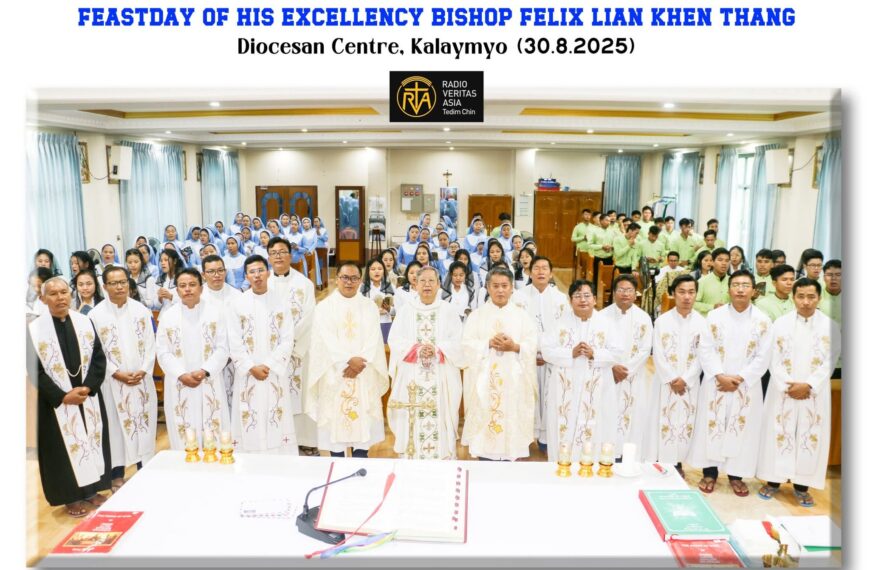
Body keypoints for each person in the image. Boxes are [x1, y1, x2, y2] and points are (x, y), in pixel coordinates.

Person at [28, 277, 112, 517]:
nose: (60, 298)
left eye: (64, 292)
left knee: (92, 442)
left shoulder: (85, 322)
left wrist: (88, 387)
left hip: (86, 397)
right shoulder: (33, 331)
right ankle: (70, 497)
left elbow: (98, 358)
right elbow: (34, 369)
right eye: (53, 294)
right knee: (62, 451)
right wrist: (62, 396)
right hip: (56, 402)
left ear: (70, 294)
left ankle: (92, 490)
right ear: (43, 299)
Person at [756, 278, 841, 508]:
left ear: (819, 298)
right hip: (783, 390)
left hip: (814, 392)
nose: (806, 302)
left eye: (811, 297)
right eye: (801, 296)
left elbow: (830, 361)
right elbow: (772, 358)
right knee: (779, 431)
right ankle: (773, 481)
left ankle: (802, 487)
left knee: (809, 433)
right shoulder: (780, 325)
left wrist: (809, 385)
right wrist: (787, 385)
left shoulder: (831, 327)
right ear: (793, 297)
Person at [688, 270, 773, 497]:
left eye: (745, 285)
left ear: (754, 291)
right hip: (716, 382)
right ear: (729, 290)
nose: (740, 289)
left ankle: (737, 476)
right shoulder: (714, 317)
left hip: (746, 386)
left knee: (741, 428)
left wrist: (740, 378)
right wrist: (719, 375)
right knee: (712, 425)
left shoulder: (763, 321)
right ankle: (710, 473)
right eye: (736, 284)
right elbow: (705, 349)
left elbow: (764, 356)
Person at [305, 261, 389, 458]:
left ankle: (361, 460)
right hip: (335, 373)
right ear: (337, 279)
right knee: (336, 431)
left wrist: (360, 362)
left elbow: (374, 339)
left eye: (354, 278)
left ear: (360, 281)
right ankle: (337, 464)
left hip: (363, 372)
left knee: (363, 429)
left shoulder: (369, 306)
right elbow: (325, 340)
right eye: (344, 277)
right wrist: (347, 361)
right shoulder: (324, 307)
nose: (349, 282)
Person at [88, 266, 157, 492]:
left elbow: (151, 344)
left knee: (143, 425)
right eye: (114, 283)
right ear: (104, 286)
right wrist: (115, 372)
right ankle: (116, 475)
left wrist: (144, 370)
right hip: (113, 382)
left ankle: (145, 469)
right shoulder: (95, 315)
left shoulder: (141, 310)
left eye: (123, 282)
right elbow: (95, 351)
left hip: (141, 381)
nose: (119, 287)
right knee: (116, 428)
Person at [387, 266, 464, 459]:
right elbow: (395, 340)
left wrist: (437, 350)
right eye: (422, 281)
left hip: (441, 376)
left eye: (431, 281)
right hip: (411, 376)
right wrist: (418, 350)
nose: (427, 285)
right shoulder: (406, 311)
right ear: (415, 284)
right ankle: (411, 458)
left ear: (439, 285)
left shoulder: (448, 311)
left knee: (441, 416)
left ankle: (442, 458)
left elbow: (458, 341)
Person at [461, 266, 538, 461]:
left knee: (511, 418)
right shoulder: (477, 316)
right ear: (488, 287)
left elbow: (532, 344)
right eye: (495, 286)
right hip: (485, 382)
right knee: (486, 415)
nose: (500, 290)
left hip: (514, 382)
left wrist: (515, 347)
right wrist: (487, 344)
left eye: (504, 286)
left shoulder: (522, 316)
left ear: (512, 287)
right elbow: (466, 345)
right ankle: (484, 454)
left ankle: (512, 453)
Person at [226, 255, 298, 454]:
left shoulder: (281, 302)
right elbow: (234, 340)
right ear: (246, 276)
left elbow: (287, 338)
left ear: (268, 272)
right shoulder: (237, 304)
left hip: (273, 372)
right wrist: (251, 367)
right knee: (250, 414)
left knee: (276, 414)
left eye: (260, 270)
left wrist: (268, 365)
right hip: (248, 374)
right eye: (252, 272)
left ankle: (279, 459)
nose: (257, 275)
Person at [540, 279, 615, 461]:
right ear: (570, 300)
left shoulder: (606, 323)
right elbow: (546, 351)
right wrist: (570, 353)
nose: (583, 300)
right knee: (565, 423)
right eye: (577, 296)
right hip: (566, 387)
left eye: (587, 295)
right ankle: (562, 464)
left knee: (594, 425)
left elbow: (618, 353)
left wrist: (594, 353)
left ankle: (590, 465)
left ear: (595, 299)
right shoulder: (559, 323)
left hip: (597, 387)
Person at [157, 268, 231, 451]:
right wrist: (181, 374)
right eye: (182, 286)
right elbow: (162, 351)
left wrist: (205, 370)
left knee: (212, 425)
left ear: (201, 288)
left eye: (192, 284)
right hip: (179, 382)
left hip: (208, 379)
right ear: (177, 290)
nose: (187, 289)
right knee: (184, 427)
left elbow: (223, 348)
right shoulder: (168, 316)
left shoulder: (215, 313)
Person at [643, 275, 705, 477]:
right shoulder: (662, 321)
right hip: (665, 382)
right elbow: (658, 353)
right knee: (662, 419)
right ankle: (659, 461)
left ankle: (677, 462)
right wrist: (671, 378)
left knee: (685, 421)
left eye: (691, 292)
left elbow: (703, 355)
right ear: (672, 293)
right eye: (682, 292)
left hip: (689, 383)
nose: (687, 297)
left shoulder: (703, 323)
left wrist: (686, 379)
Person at [266, 237, 318, 453]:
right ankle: (275, 440)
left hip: (297, 352)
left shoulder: (304, 284)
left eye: (282, 252)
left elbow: (309, 317)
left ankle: (306, 441)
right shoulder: (262, 283)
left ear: (290, 255)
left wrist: (288, 345)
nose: (278, 256)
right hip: (270, 354)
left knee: (301, 395)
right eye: (274, 252)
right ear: (269, 257)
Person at [512, 256, 569, 454]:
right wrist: (529, 350)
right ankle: (525, 438)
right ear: (530, 272)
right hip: (525, 357)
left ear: (551, 273)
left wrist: (547, 353)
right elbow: (515, 327)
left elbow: (564, 330)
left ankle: (546, 438)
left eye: (545, 268)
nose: (541, 272)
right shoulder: (518, 297)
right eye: (536, 268)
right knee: (526, 396)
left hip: (552, 359)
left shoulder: (561, 299)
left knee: (550, 398)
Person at [599, 275, 653, 459]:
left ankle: (627, 455)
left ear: (635, 294)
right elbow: (598, 346)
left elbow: (645, 349)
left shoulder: (644, 318)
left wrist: (626, 370)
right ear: (614, 292)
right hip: (608, 374)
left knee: (632, 414)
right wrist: (612, 367)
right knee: (608, 412)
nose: (625, 294)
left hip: (633, 376)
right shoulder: (602, 316)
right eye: (621, 290)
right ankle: (607, 453)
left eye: (629, 290)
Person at [200, 255, 241, 408]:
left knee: (233, 402)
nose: (216, 275)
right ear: (203, 274)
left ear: (225, 272)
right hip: (206, 359)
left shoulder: (237, 296)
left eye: (220, 270)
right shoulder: (198, 297)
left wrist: (230, 354)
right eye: (211, 272)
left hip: (234, 359)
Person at [360, 258, 395, 332]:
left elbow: (396, 311)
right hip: (368, 324)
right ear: (368, 271)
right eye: (373, 269)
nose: (377, 271)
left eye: (380, 269)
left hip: (386, 324)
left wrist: (389, 309)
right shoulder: (362, 287)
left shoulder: (390, 286)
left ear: (384, 271)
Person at [693, 248, 730, 316]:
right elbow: (693, 303)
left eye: (727, 261)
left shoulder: (733, 282)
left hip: (728, 319)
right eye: (720, 260)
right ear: (712, 262)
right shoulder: (702, 281)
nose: (724, 263)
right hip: (707, 320)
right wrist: (712, 307)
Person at [587, 211, 615, 284]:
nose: (608, 222)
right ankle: (595, 290)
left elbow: (616, 243)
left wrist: (612, 247)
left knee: (608, 277)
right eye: (606, 220)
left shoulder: (612, 231)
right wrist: (602, 246)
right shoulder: (595, 231)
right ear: (601, 221)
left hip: (609, 257)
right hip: (598, 258)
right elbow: (590, 244)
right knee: (597, 277)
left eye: (609, 221)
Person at [155, 248, 183, 317]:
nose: (162, 263)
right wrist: (159, 298)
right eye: (161, 260)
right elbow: (156, 305)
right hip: (164, 316)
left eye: (166, 260)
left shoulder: (183, 278)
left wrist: (171, 297)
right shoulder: (160, 279)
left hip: (180, 315)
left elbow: (187, 300)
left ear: (175, 261)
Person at [818, 259, 841, 326]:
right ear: (824, 278)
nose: (833, 278)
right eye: (829, 275)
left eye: (838, 274)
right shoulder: (816, 295)